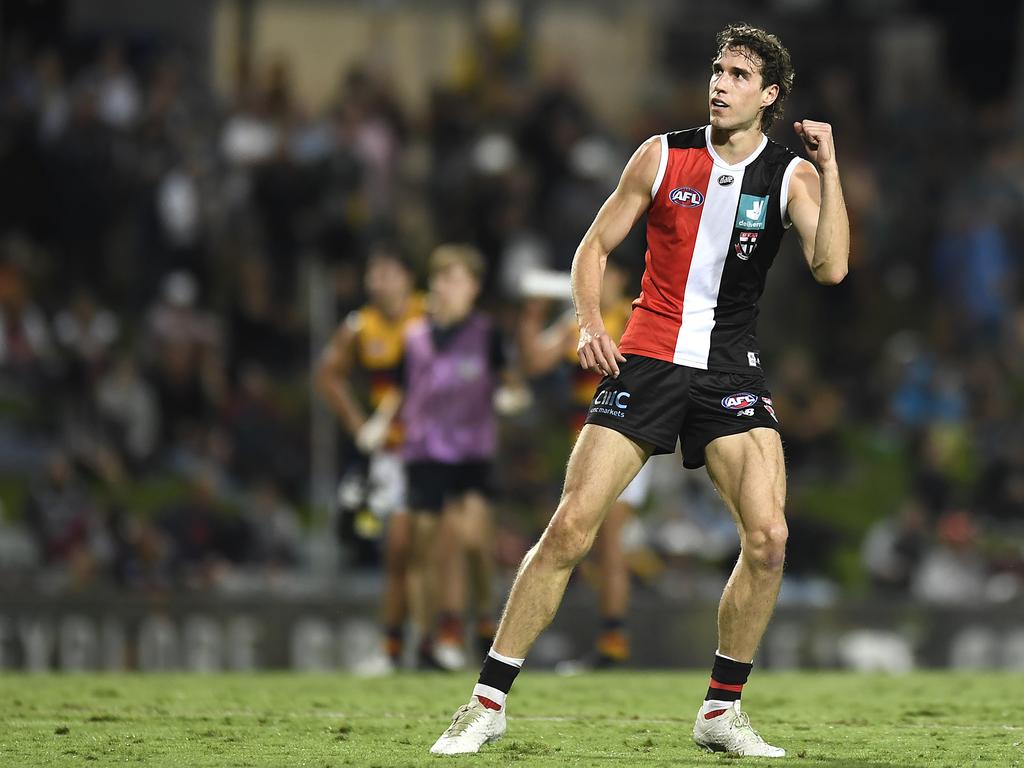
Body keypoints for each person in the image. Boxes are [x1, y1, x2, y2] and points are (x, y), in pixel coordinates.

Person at [430, 23, 848, 758]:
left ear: (770, 94)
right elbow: (594, 247)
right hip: (647, 358)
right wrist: (591, 321)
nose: (719, 84)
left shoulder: (792, 175)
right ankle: (486, 703)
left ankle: (720, 712)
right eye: (716, 70)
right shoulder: (661, 154)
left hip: (730, 370)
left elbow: (832, 267)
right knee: (569, 529)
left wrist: (832, 166)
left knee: (771, 540)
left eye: (739, 76)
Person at [360, 244, 516, 670]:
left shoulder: (486, 333)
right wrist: (379, 420)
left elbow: (509, 379)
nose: (446, 288)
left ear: (473, 288)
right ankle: (429, 640)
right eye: (442, 279)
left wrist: (509, 395)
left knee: (473, 543)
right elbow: (400, 388)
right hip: (425, 452)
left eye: (456, 279)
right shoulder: (414, 337)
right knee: (424, 547)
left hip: (470, 454)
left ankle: (485, 619)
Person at [518, 259, 652, 667]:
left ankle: (614, 643)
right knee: (590, 544)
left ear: (621, 279)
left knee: (608, 543)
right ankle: (610, 639)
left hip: (628, 442)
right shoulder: (582, 322)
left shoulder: (634, 319)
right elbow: (535, 363)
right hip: (587, 448)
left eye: (607, 274)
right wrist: (531, 317)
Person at [315, 244, 425, 669]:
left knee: (436, 550)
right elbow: (327, 374)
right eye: (373, 273)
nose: (378, 281)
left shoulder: (429, 314)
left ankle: (440, 640)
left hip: (437, 447)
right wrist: (359, 424)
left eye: (387, 272)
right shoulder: (361, 326)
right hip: (394, 453)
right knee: (398, 549)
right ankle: (395, 647)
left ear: (407, 277)